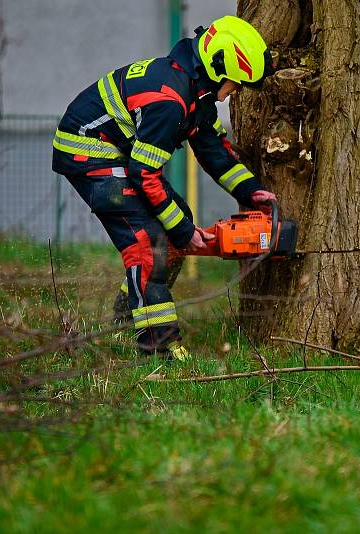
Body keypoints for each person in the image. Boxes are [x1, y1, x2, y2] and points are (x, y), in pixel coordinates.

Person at [52, 16, 278, 360]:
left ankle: (128, 314)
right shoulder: (169, 100)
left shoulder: (195, 93)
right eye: (237, 83)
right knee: (148, 244)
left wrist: (251, 191)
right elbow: (144, 173)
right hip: (88, 153)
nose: (238, 91)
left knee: (172, 229)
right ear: (218, 68)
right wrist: (183, 231)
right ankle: (159, 349)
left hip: (117, 152)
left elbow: (213, 150)